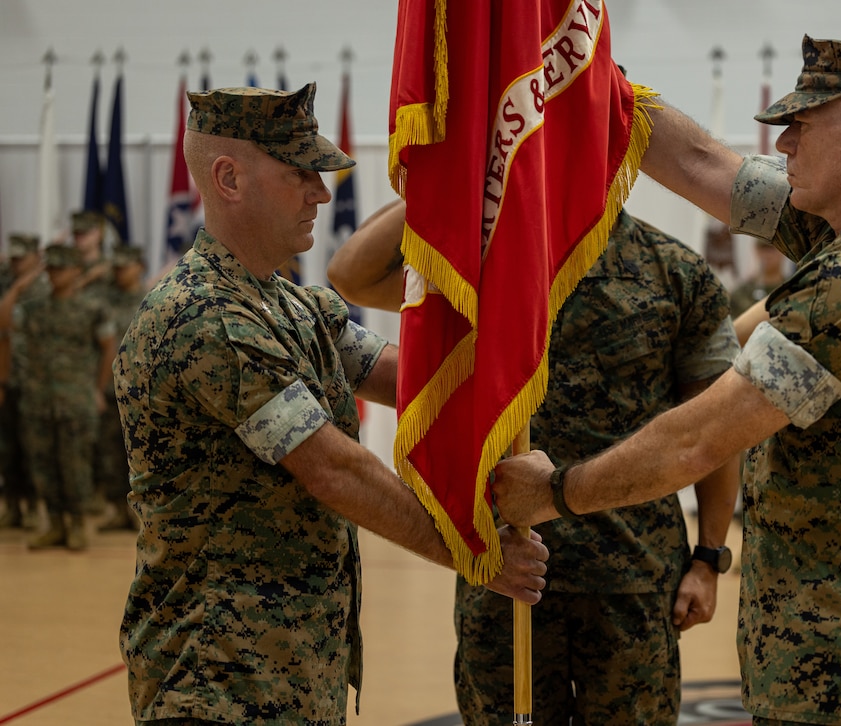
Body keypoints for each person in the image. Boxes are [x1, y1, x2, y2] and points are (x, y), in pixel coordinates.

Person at [493, 35, 841, 724]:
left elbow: (699, 440)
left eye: (801, 127)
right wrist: (589, 78)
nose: (783, 146)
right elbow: (700, 160)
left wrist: (555, 493)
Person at [113, 83, 547, 726]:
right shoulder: (203, 316)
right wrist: (474, 553)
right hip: (216, 680)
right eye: (299, 173)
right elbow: (334, 469)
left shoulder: (292, 305)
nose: (322, 192)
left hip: (290, 670)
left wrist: (514, 358)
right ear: (228, 178)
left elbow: (407, 379)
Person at [328, 198, 742, 725]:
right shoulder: (485, 263)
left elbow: (712, 430)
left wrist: (708, 560)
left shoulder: (673, 270)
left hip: (632, 578)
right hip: (506, 565)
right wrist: (450, 169)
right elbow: (352, 276)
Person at [16, 243, 116, 550]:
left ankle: (77, 525)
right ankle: (56, 524)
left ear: (76, 270)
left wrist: (97, 390)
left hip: (76, 399)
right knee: (43, 466)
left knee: (76, 466)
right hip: (38, 399)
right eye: (51, 267)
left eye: (61, 267)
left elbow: (108, 349)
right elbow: (5, 321)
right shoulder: (34, 307)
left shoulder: (93, 308)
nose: (54, 273)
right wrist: (23, 281)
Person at [96, 244, 148, 532]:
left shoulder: (151, 300)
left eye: (124, 266)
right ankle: (117, 510)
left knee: (140, 455)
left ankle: (141, 516)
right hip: (110, 390)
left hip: (140, 392)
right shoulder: (106, 300)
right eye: (115, 267)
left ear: (139, 266)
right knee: (110, 454)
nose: (119, 272)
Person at [0, 233, 49, 529]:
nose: (17, 262)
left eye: (22, 257)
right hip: (10, 378)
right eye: (14, 257)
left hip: (36, 380)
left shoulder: (45, 289)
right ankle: (13, 506)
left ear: (36, 257)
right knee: (7, 447)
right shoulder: (9, 285)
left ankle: (33, 506)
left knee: (34, 448)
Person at [728, 238, 788, 314]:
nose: (767, 255)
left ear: (783, 252)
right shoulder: (741, 293)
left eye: (772, 249)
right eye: (763, 249)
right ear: (756, 250)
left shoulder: (792, 289)